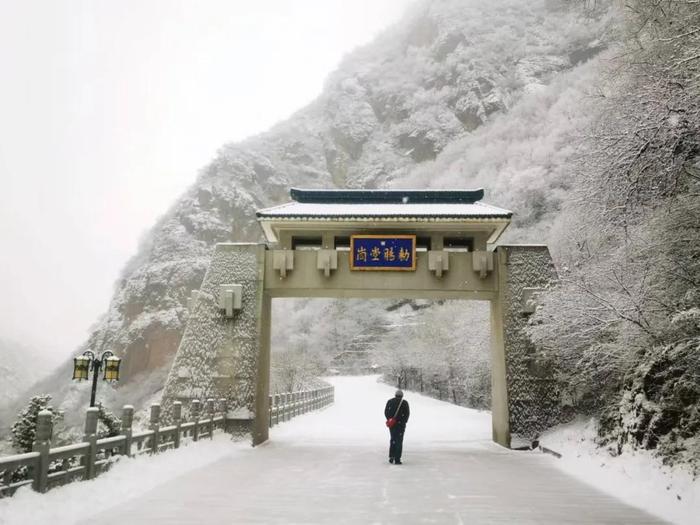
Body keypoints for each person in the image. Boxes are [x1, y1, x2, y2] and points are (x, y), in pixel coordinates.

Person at [384, 389, 410, 464]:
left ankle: (391, 457)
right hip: (400, 425)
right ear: (402, 396)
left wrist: (390, 419)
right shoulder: (404, 403)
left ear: (395, 395)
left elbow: (386, 412)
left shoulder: (390, 401)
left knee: (393, 439)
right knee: (399, 441)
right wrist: (403, 421)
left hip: (392, 425)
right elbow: (407, 414)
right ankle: (397, 458)